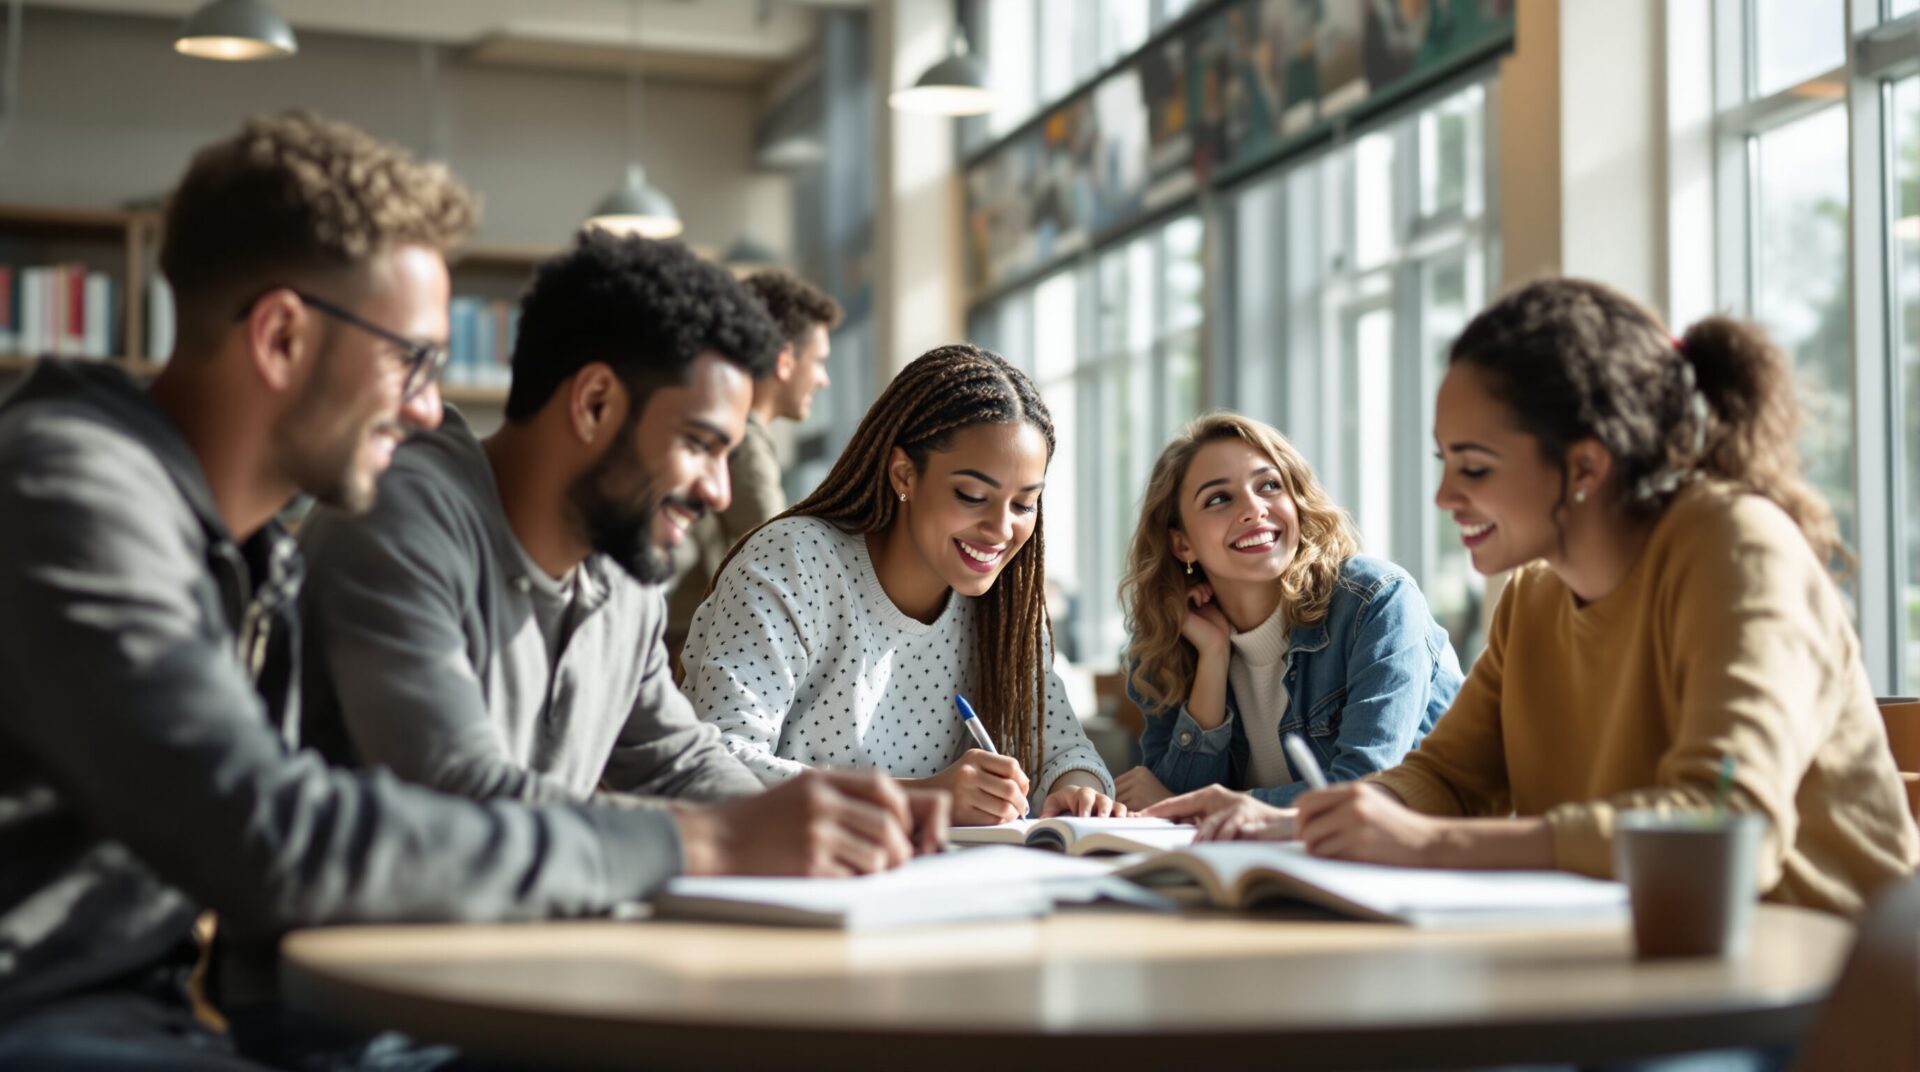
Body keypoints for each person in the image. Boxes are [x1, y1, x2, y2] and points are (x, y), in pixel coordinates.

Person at [0, 113, 942, 1069]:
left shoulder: (237, 545)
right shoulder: (75, 496)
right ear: (281, 337)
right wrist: (707, 846)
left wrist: (820, 837)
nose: (425, 407)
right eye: (409, 359)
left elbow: (672, 759)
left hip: (151, 1015)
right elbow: (275, 830)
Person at [1150, 278, 1919, 918]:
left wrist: (1432, 845)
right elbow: (1447, 778)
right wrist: (1289, 822)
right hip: (1634, 968)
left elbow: (1724, 826)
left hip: (1820, 990)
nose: (1445, 495)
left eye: (1475, 467)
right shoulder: (1534, 598)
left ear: (1583, 467)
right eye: (1443, 461)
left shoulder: (1736, 546)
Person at [298, 231, 774, 807]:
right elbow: (460, 803)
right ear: (595, 404)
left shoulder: (622, 570)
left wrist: (798, 830)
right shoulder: (395, 521)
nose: (719, 494)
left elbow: (681, 763)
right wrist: (720, 839)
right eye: (699, 444)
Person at [681, 344, 1122, 825]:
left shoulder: (1007, 602)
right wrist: (920, 797)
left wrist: (1078, 790)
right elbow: (720, 762)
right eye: (972, 495)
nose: (1000, 530)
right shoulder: (792, 560)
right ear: (904, 474)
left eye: (1023, 504)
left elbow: (1063, 749)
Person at [1113, 412, 1461, 813]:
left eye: (1269, 485)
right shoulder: (1170, 642)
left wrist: (1204, 807)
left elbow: (1363, 789)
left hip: (1429, 847)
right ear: (1182, 544)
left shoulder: (1376, 602)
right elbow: (1167, 806)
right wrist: (1213, 656)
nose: (1254, 509)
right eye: (1219, 499)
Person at [665, 269, 842, 655]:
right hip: (680, 646)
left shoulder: (744, 435)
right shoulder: (742, 439)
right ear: (784, 360)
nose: (823, 379)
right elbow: (783, 555)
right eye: (818, 362)